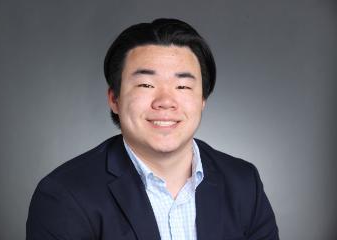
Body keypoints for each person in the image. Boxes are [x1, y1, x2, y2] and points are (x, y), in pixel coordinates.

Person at [26, 18, 279, 240]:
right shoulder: (64, 195)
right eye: (146, 85)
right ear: (114, 99)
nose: (165, 101)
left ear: (203, 101)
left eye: (183, 87)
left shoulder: (244, 183)